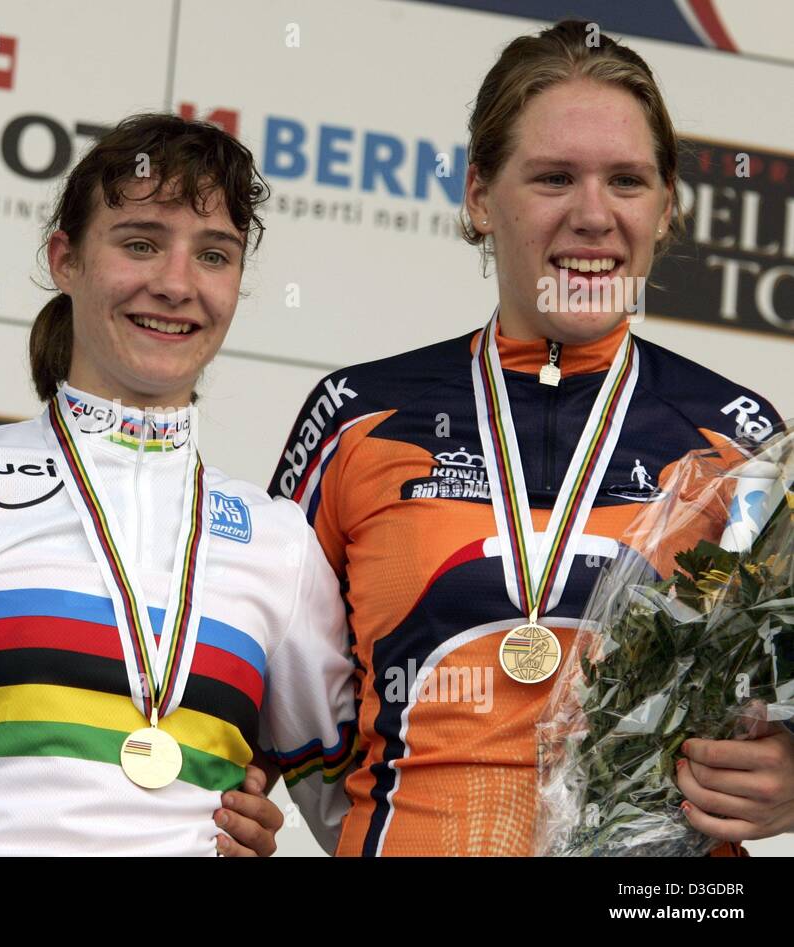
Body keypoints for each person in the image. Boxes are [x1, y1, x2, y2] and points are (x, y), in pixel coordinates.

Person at [270, 19, 793, 856]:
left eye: (627, 181)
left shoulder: (745, 443)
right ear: (479, 195)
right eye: (553, 177)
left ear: (667, 209)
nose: (593, 215)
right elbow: (273, 684)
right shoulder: (356, 415)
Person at [0, 113, 358, 856]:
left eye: (214, 254)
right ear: (65, 258)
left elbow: (363, 818)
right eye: (140, 243)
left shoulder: (278, 544)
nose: (177, 285)